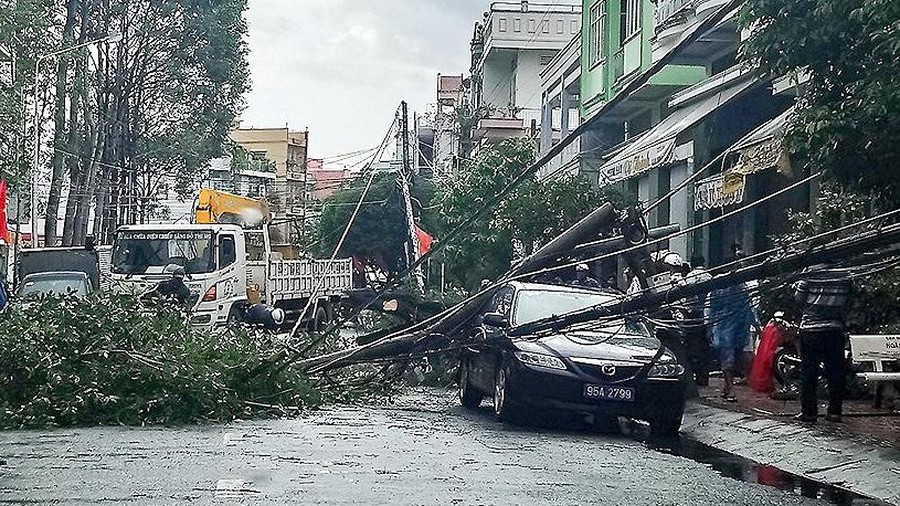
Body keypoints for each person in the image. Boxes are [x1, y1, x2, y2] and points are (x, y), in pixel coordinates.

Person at [792, 265, 852, 423]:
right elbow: (848, 300)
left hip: (811, 330)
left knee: (809, 372)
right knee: (835, 372)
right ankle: (834, 412)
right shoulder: (845, 273)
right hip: (835, 329)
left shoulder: (810, 272)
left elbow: (799, 299)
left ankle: (809, 412)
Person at [708, 280, 756, 401]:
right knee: (727, 359)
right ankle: (730, 387)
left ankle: (727, 386)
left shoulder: (742, 286)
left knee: (735, 358)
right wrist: (709, 327)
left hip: (738, 328)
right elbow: (712, 309)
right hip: (724, 328)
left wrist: (755, 325)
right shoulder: (718, 288)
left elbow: (748, 307)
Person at [678, 255, 713, 387]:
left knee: (691, 346)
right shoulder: (709, 276)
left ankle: (692, 376)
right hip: (705, 315)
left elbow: (683, 287)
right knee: (704, 347)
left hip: (692, 315)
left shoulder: (692, 276)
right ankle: (703, 377)